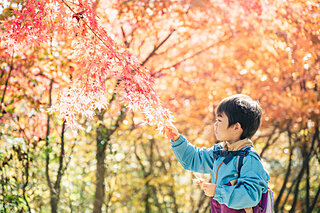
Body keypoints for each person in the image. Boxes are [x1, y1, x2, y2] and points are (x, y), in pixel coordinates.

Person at [164, 94, 270, 212]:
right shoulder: (220, 152)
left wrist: (218, 192)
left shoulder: (249, 158)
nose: (215, 124)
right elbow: (195, 159)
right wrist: (177, 139)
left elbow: (250, 196)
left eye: (219, 120)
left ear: (236, 127)